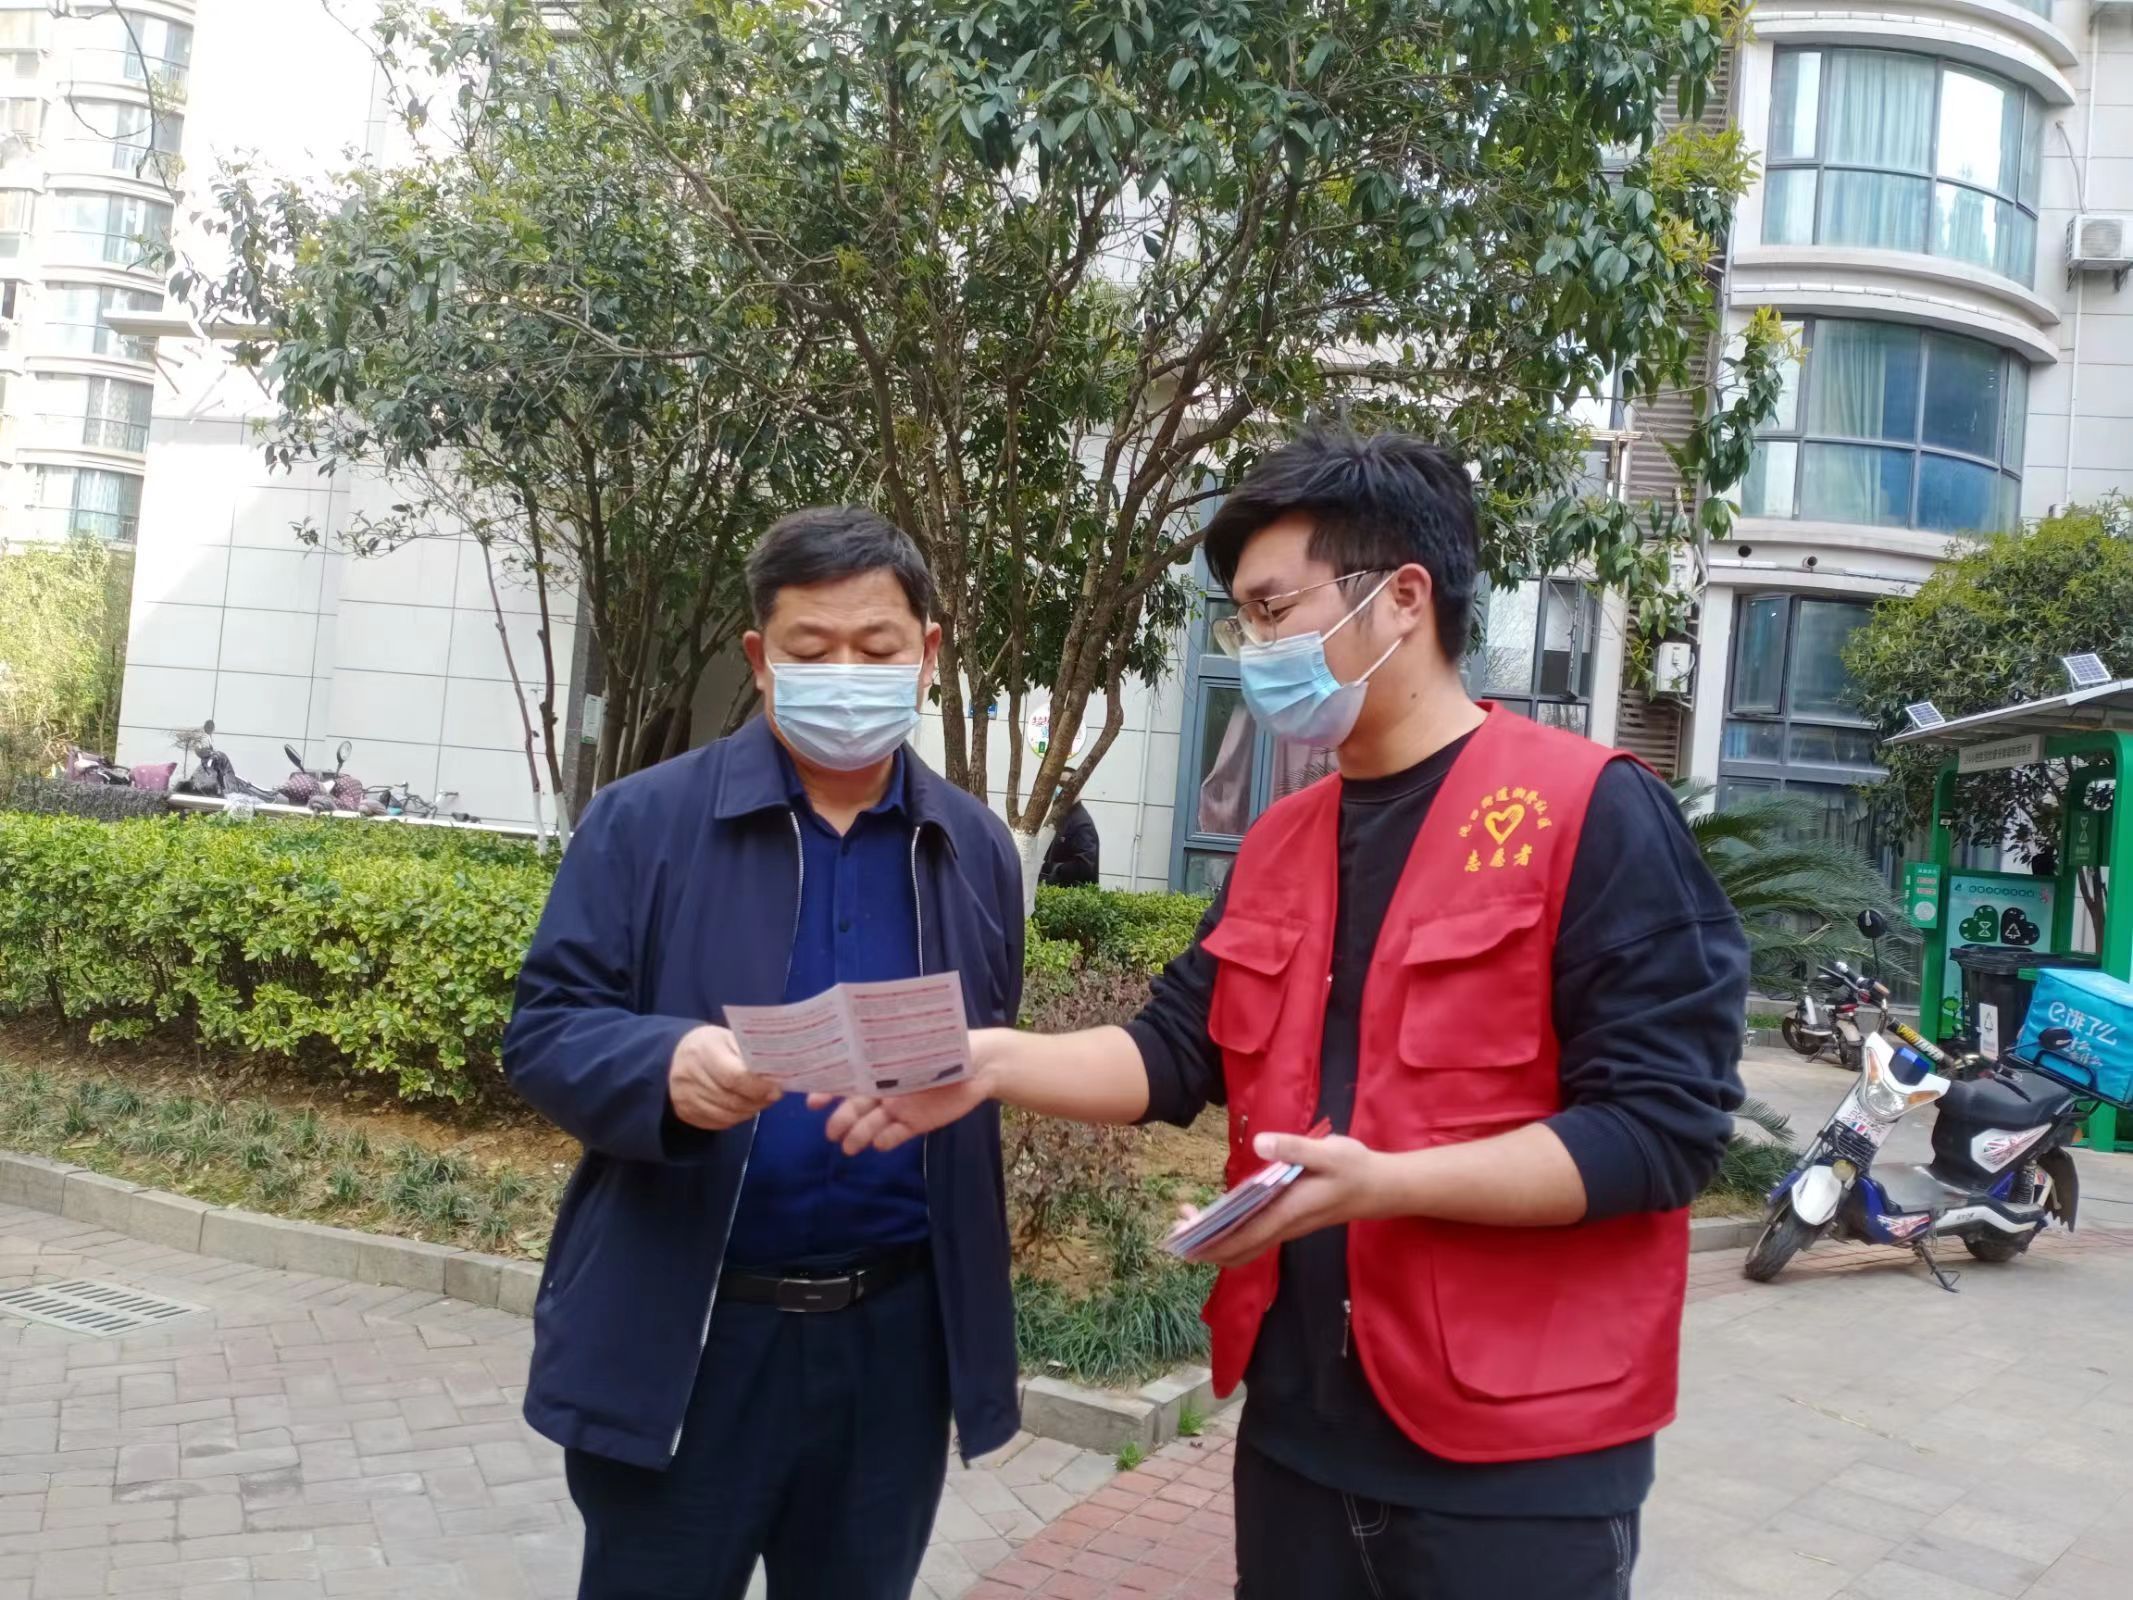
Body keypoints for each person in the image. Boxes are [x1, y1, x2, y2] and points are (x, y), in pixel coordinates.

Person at [817, 433, 1750, 1600]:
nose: (1257, 648)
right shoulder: (1281, 841)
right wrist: (992, 1061)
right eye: (1244, 622)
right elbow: (1174, 1051)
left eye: (1273, 610)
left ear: (1402, 597)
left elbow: (1664, 1130)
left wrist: (1390, 1184)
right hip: (1299, 1433)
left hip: (1516, 1459)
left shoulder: (1585, 810)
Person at [504, 507, 1025, 1600]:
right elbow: (546, 1028)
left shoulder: (973, 848)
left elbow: (980, 1062)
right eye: (811, 648)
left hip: (894, 1346)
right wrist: (661, 1065)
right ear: (758, 657)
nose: (847, 675)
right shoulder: (642, 823)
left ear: (928, 652)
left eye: (877, 648)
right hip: (689, 1336)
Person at [1039, 775, 1102, 887]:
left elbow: (1085, 866)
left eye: (1063, 783)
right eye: (1056, 783)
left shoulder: (1082, 823)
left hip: (1071, 894)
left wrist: (1055, 869)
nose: (1058, 788)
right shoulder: (1064, 816)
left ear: (1077, 787)